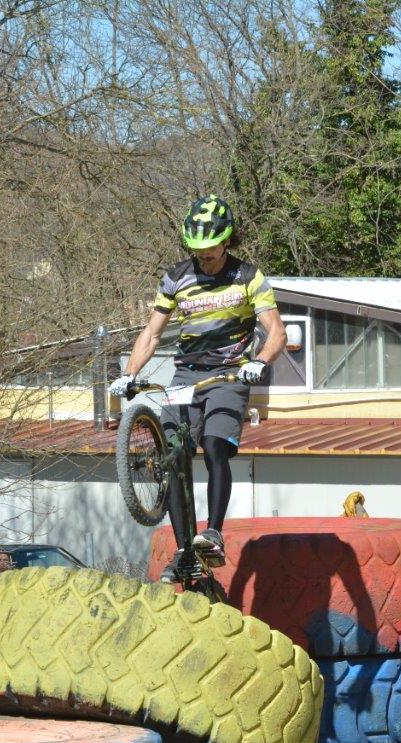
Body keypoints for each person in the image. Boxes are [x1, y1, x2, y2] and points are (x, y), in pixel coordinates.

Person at [110, 195, 286, 573]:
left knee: (214, 446)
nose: (204, 257)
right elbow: (152, 334)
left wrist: (259, 362)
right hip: (186, 376)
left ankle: (213, 533)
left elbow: (277, 332)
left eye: (210, 250)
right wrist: (130, 373)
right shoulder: (177, 277)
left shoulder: (248, 277)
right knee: (173, 453)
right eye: (197, 251)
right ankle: (183, 551)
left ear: (227, 241)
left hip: (229, 375)